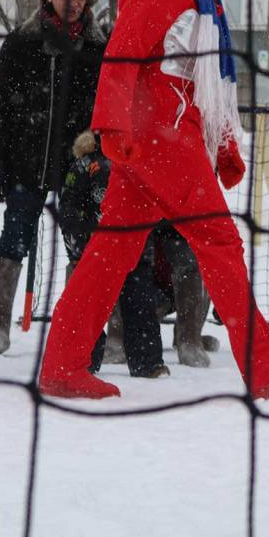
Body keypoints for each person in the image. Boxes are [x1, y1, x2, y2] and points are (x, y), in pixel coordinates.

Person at [36, 0, 269, 401]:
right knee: (218, 241)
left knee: (111, 251)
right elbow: (124, 52)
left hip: (162, 134)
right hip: (160, 139)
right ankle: (263, 367)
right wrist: (110, 123)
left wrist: (224, 142)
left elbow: (198, 82)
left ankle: (62, 363)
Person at [0, 0, 107, 355]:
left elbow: (106, 108)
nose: (73, 3)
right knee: (15, 234)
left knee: (81, 245)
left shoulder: (100, 49)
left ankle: (79, 328)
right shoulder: (22, 42)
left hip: (78, 166)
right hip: (26, 160)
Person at [59, 130, 168, 379]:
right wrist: (76, 250)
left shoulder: (138, 161)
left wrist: (146, 245)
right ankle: (84, 360)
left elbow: (151, 205)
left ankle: (148, 364)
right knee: (89, 307)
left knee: (140, 304)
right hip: (95, 251)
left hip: (134, 249)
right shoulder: (86, 164)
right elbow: (69, 209)